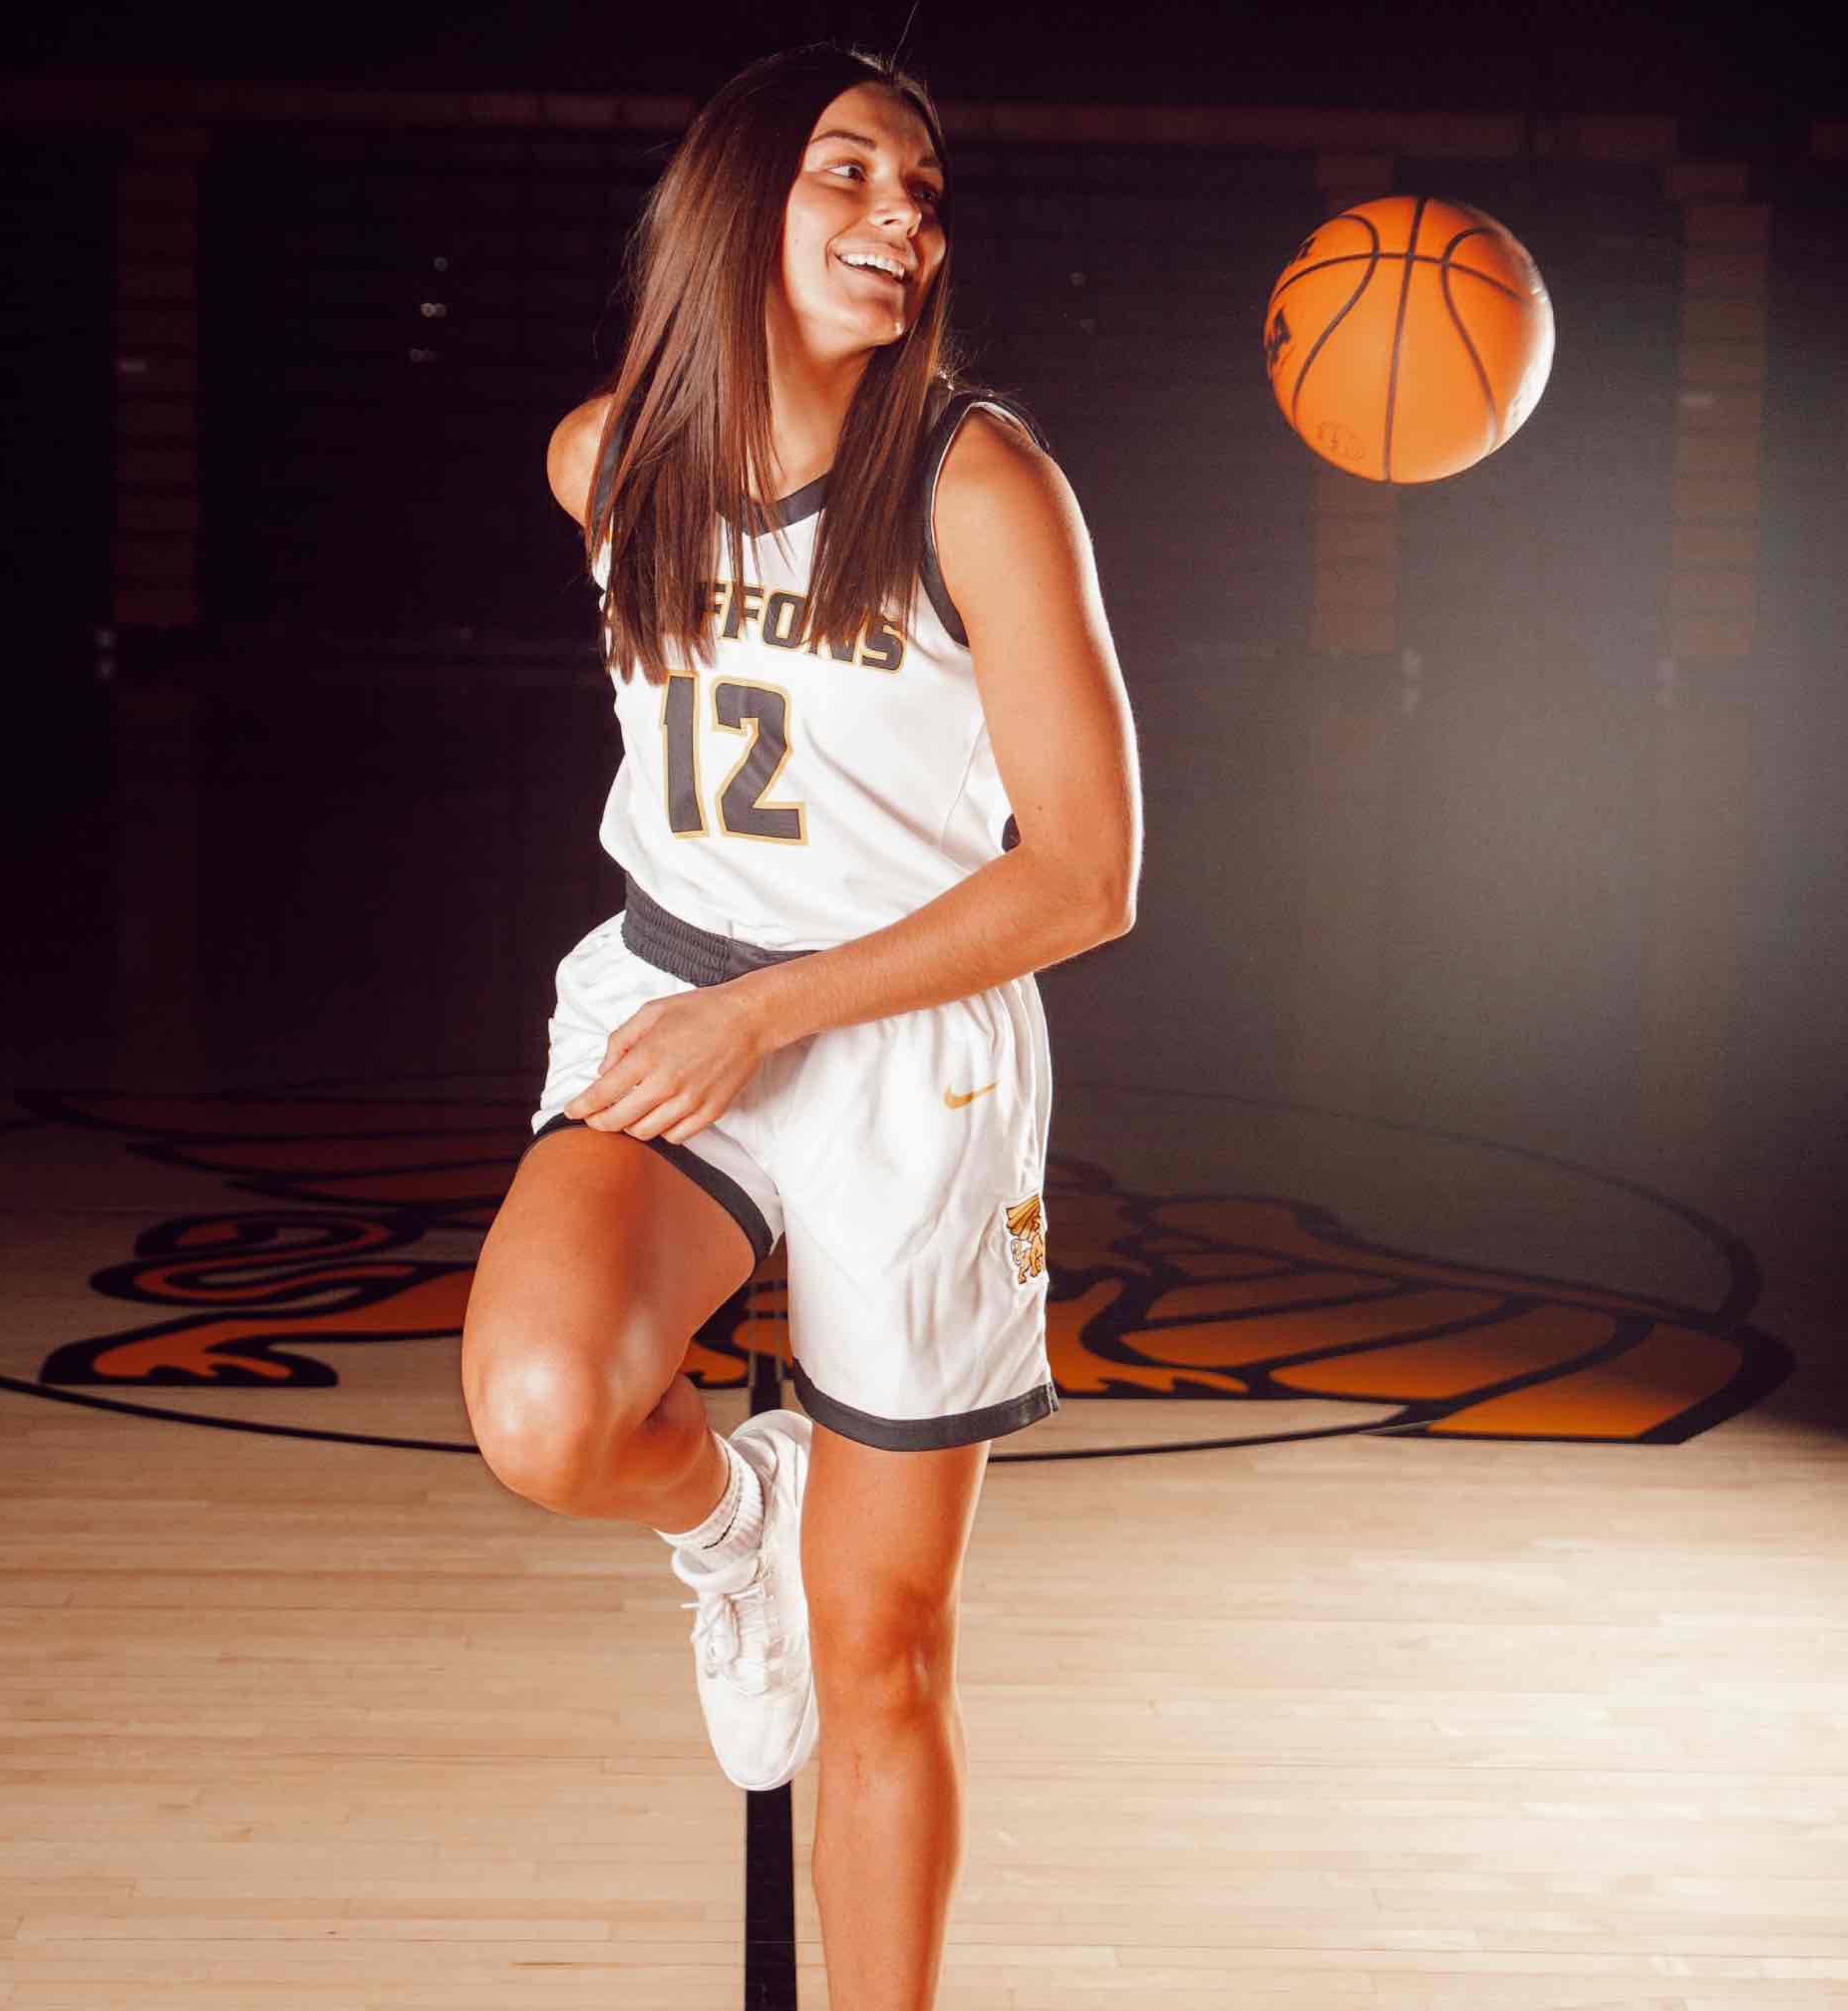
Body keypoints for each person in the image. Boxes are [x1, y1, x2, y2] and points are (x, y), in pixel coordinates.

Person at [461, 40, 1140, 2009]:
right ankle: (727, 1511)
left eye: (922, 191)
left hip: (905, 1043)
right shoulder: (609, 461)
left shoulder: (977, 482)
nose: (900, 215)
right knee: (547, 1410)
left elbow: (1088, 875)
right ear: (736, 202)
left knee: (883, 1653)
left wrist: (773, 1013)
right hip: (683, 989)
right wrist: (731, 1010)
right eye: (849, 171)